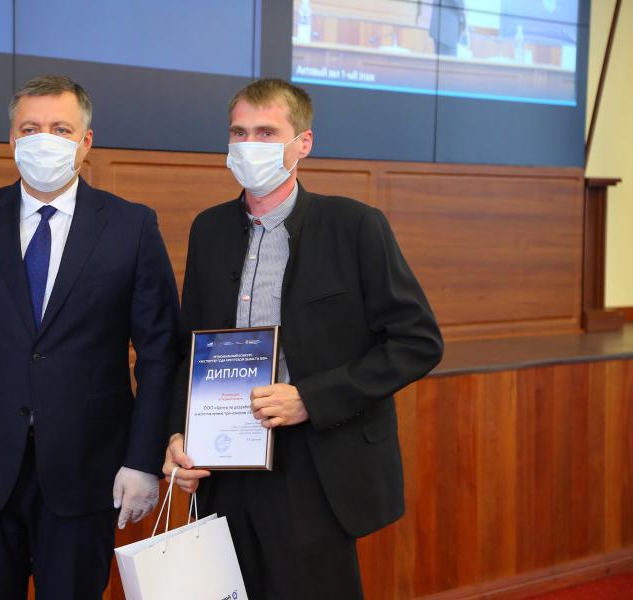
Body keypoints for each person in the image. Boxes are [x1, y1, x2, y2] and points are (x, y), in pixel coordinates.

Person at [163, 78, 443, 599]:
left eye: (266, 133)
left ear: (303, 143)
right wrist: (180, 434)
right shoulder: (209, 229)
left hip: (314, 466)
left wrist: (310, 398)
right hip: (225, 463)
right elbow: (190, 348)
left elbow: (418, 342)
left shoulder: (355, 226)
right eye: (239, 133)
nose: (249, 145)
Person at [0, 75, 179, 600]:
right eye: (30, 129)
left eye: (61, 128)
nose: (44, 139)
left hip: (88, 470)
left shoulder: (132, 227)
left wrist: (143, 459)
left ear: (86, 141)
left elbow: (160, 354)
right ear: (11, 140)